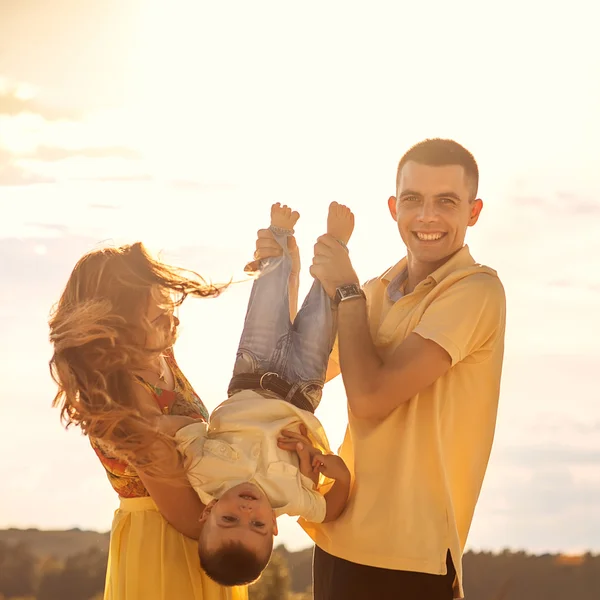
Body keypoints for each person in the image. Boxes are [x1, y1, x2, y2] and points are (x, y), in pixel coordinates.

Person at [254, 138, 507, 600]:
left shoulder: (477, 291)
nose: (427, 216)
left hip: (411, 558)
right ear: (394, 207)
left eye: (446, 201)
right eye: (413, 200)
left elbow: (370, 400)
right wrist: (283, 272)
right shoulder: (372, 292)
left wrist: (345, 289)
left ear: (473, 212)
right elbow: (293, 371)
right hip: (339, 536)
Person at [158, 202, 354, 587]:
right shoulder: (291, 500)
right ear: (274, 530)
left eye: (229, 518)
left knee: (266, 300)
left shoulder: (201, 474)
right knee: (322, 312)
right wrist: (341, 477)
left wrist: (150, 423)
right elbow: (329, 510)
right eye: (258, 524)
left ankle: (278, 235)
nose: (247, 510)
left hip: (251, 371)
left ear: (207, 513)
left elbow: (188, 428)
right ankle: (336, 244)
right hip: (303, 388)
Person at [48, 242, 248, 600]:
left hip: (206, 528)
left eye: (169, 308)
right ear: (115, 326)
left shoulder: (158, 356)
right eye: (158, 317)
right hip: (168, 546)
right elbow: (185, 515)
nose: (173, 321)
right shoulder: (125, 394)